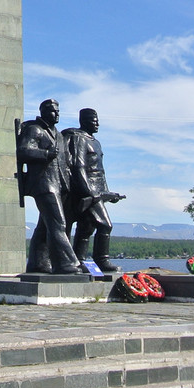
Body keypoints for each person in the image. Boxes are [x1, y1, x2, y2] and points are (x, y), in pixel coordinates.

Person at [16, 99, 84, 275]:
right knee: (58, 223)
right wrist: (45, 153)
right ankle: (66, 264)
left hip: (59, 185)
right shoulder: (35, 130)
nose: (57, 114)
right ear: (44, 112)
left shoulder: (59, 135)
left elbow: (65, 162)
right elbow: (22, 151)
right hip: (43, 184)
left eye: (58, 111)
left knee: (44, 227)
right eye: (53, 111)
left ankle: (37, 264)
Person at [62, 108, 124, 272]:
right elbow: (78, 167)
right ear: (84, 121)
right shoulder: (78, 139)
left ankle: (79, 260)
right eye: (93, 120)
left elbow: (100, 171)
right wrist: (89, 193)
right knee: (105, 225)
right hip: (87, 191)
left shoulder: (96, 142)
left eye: (97, 120)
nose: (97, 124)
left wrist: (108, 194)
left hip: (98, 191)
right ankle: (101, 259)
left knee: (86, 226)